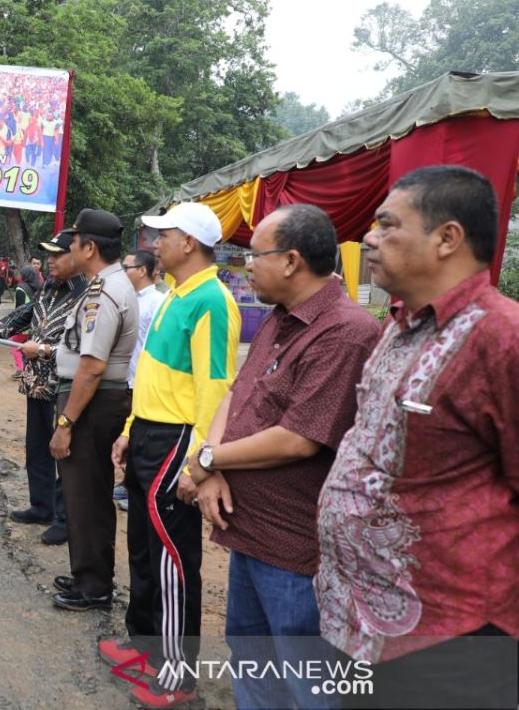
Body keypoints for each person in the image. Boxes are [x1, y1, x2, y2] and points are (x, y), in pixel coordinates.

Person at [315, 166, 519, 710]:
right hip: (354, 626)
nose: (369, 239)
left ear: (447, 238)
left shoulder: (502, 338)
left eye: (386, 225)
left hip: (448, 646)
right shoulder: (398, 324)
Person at [165, 205, 379, 709]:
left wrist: (209, 461)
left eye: (253, 256)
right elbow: (236, 395)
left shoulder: (346, 331)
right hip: (252, 532)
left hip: (296, 549)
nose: (245, 266)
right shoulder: (280, 319)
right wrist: (210, 465)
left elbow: (298, 439)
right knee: (252, 658)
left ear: (291, 261)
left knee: (305, 679)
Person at [110, 202, 240, 709]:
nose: (154, 242)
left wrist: (201, 461)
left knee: (172, 560)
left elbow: (216, 387)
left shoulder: (212, 299)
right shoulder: (172, 296)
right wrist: (128, 429)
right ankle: (144, 646)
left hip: (177, 442)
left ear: (189, 241)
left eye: (163, 235)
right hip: (146, 432)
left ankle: (177, 674)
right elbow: (150, 374)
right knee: (142, 546)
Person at [34, 211, 137, 611]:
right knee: (83, 495)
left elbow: (92, 367)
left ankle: (94, 586)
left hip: (92, 404)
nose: (69, 248)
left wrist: (65, 423)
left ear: (89, 248)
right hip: (92, 401)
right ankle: (87, 573)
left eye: (73, 242)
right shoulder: (105, 285)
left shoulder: (103, 293)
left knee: (87, 497)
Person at [0, 229, 86, 545]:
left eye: (57, 255)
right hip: (38, 384)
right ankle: (42, 506)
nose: (50, 262)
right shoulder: (48, 289)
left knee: (64, 452)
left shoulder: (88, 295)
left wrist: (44, 350)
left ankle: (65, 517)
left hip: (68, 388)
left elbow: (90, 352)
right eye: (48, 255)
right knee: (37, 446)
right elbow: (19, 318)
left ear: (78, 256)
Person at [113, 249, 166, 510]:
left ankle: (131, 487)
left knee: (137, 436)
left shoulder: (157, 302)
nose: (123, 272)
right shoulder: (129, 299)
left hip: (141, 382)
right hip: (126, 379)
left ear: (142, 271)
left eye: (127, 268)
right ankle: (126, 484)